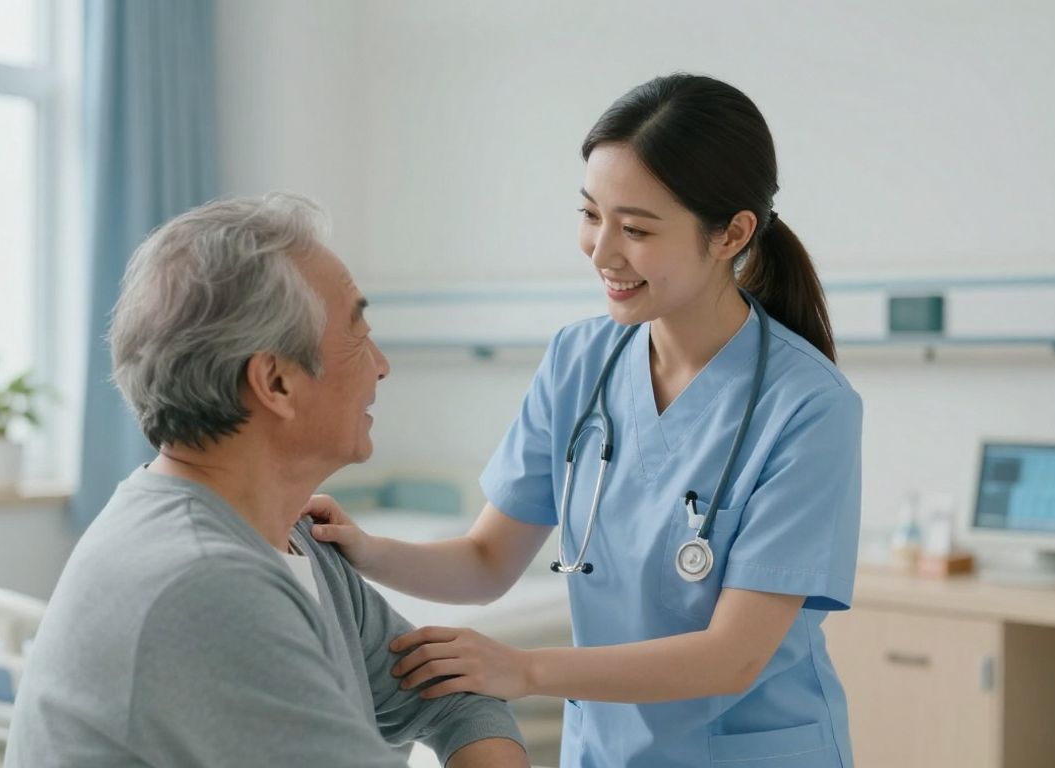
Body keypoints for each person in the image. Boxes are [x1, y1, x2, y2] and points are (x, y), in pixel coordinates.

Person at [307, 74, 863, 767]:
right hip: (604, 751)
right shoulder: (581, 360)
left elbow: (733, 657)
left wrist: (527, 670)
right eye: (590, 214)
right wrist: (363, 548)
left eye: (635, 228)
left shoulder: (808, 406)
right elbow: (486, 562)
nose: (601, 251)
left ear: (732, 234)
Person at [4, 195, 528, 768]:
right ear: (276, 382)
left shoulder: (292, 537)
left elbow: (455, 694)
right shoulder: (204, 583)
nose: (381, 364)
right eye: (359, 335)